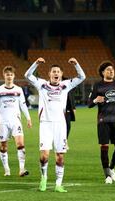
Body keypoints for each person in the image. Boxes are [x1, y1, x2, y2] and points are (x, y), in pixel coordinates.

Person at [25, 57, 86, 193]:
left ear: (61, 74)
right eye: (53, 71)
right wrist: (36, 64)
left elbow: (82, 76)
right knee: (44, 156)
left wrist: (76, 64)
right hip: (45, 124)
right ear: (49, 74)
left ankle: (58, 184)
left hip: (60, 125)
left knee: (60, 156)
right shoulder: (42, 84)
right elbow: (27, 75)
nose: (56, 73)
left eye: (58, 71)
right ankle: (44, 178)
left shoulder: (65, 85)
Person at [0, 66, 32, 177]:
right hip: (2, 122)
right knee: (3, 146)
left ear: (14, 76)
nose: (9, 76)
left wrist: (28, 118)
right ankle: (7, 169)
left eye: (11, 74)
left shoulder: (18, 90)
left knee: (20, 144)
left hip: (15, 121)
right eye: (7, 74)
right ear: (4, 76)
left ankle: (22, 169)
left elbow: (23, 104)